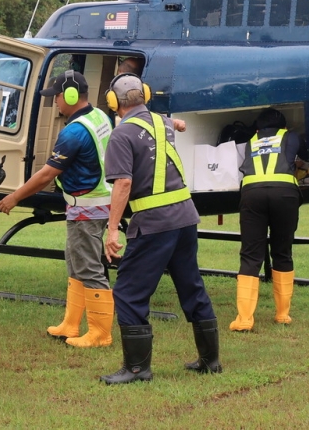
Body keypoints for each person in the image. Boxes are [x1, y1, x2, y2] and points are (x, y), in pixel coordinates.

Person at [100, 73, 221, 384]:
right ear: (146, 95)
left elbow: (123, 183)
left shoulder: (121, 136)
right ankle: (211, 361)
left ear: (113, 103)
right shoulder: (163, 123)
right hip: (184, 218)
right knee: (191, 286)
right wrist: (178, 125)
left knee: (128, 291)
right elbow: (176, 124)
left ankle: (137, 369)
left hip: (154, 223)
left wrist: (112, 230)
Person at [0, 70, 115, 348]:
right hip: (91, 206)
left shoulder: (73, 132)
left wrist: (14, 197)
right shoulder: (99, 117)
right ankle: (71, 324)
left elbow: (46, 175)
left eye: (57, 97)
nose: (55, 103)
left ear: (70, 95)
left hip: (87, 208)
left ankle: (100, 333)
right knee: (76, 265)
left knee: (88, 268)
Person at [229, 107, 308, 332]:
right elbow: (307, 157)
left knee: (250, 254)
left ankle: (244, 319)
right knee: (282, 251)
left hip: (252, 194)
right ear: (283, 127)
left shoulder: (249, 140)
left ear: (258, 128)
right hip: (285, 194)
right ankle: (282, 314)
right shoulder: (290, 136)